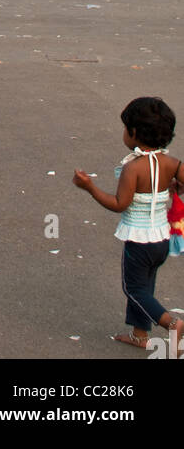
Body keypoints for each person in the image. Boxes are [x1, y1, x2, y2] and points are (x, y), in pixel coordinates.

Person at [73, 96, 184, 353]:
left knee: (133, 288)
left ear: (134, 133)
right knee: (146, 286)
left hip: (139, 239)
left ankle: (172, 324)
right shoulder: (171, 163)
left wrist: (89, 187)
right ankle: (139, 334)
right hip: (162, 239)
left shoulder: (133, 168)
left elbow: (119, 204)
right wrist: (175, 186)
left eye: (125, 129)